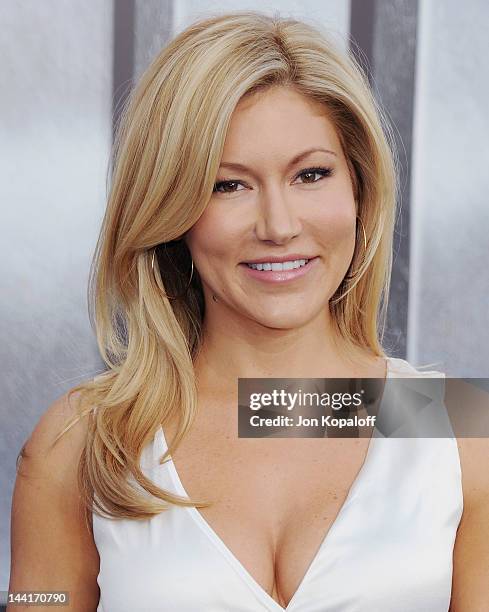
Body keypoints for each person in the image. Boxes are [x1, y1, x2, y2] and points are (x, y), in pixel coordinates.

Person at [9, 10, 489, 612]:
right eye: (227, 184)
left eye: (311, 174)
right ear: (171, 208)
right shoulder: (84, 443)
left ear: (360, 192)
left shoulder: (456, 424)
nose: (279, 226)